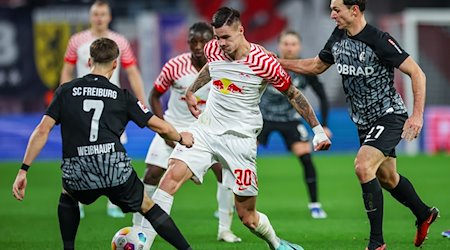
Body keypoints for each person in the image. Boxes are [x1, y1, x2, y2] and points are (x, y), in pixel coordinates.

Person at [144, 7, 331, 250]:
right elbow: (211, 68)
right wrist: (191, 90)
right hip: (206, 130)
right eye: (217, 37)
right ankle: (142, 243)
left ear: (241, 31)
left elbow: (294, 95)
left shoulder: (264, 62)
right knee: (169, 179)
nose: (220, 44)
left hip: (241, 140)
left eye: (226, 37)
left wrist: (317, 130)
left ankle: (276, 243)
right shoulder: (213, 48)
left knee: (248, 217)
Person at [278, 0, 439, 249]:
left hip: (389, 115)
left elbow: (417, 73)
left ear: (354, 10)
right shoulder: (338, 36)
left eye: (336, 9)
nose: (332, 14)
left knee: (363, 167)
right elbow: (316, 66)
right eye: (331, 9)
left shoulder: (379, 39)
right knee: (387, 178)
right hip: (363, 121)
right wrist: (278, 62)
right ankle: (424, 213)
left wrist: (416, 116)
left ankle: (376, 243)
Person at [12, 38, 192, 250]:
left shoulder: (65, 91)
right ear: (115, 64)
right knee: (148, 206)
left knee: (68, 193)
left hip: (79, 167)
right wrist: (181, 138)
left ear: (89, 61)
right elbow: (161, 127)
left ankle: (68, 248)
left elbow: (42, 130)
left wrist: (24, 170)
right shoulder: (122, 96)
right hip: (113, 166)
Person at [132, 22, 241, 243]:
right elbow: (154, 95)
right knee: (153, 173)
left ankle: (224, 230)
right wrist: (164, 129)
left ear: (212, 41)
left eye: (203, 41)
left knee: (224, 174)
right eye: (193, 41)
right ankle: (137, 228)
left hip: (207, 131)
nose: (198, 46)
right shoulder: (175, 65)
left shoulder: (222, 65)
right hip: (173, 127)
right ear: (188, 41)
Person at [60, 0, 146, 218]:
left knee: (114, 149)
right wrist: (64, 99)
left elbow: (133, 72)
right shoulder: (76, 41)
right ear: (90, 17)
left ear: (109, 17)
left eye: (103, 14)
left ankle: (113, 201)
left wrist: (141, 100)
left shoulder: (120, 42)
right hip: (81, 106)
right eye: (95, 14)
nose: (99, 18)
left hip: (111, 105)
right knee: (77, 151)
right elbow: (66, 71)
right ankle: (75, 199)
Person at [258, 30, 331, 219]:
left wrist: (323, 125)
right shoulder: (266, 65)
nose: (289, 47)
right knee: (242, 156)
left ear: (299, 47)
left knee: (306, 158)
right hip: (263, 118)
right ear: (279, 45)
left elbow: (322, 95)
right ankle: (231, 206)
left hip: (291, 120)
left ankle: (315, 205)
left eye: (293, 44)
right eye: (286, 44)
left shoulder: (304, 69)